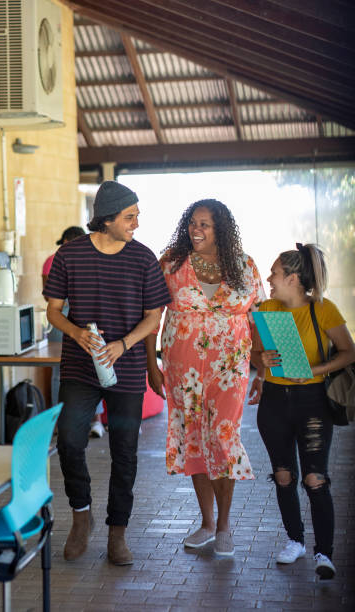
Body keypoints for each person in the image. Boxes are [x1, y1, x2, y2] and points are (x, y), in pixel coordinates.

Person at [43, 181, 171, 565]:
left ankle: (118, 533)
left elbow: (153, 318)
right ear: (107, 219)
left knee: (125, 452)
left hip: (127, 369)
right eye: (129, 217)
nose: (136, 223)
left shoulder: (144, 259)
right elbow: (52, 310)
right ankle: (81, 516)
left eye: (136, 215)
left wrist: (124, 344)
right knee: (68, 440)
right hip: (81, 368)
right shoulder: (70, 255)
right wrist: (76, 331)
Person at [145, 199, 266, 556]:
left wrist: (266, 368)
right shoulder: (170, 262)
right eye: (192, 223)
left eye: (205, 225)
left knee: (223, 436)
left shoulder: (244, 266)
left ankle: (225, 525)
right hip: (182, 367)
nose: (196, 230)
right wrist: (152, 366)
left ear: (221, 230)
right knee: (194, 436)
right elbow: (151, 315)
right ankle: (207, 523)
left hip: (230, 367)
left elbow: (260, 315)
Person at [251, 243, 355, 579]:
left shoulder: (324, 310)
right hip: (274, 403)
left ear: (294, 278)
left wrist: (315, 370)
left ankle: (324, 552)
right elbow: (254, 353)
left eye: (275, 274)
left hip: (312, 402)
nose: (269, 278)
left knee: (314, 478)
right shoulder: (266, 308)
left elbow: (348, 353)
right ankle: (294, 541)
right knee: (283, 475)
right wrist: (260, 361)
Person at [42, 226, 106, 437]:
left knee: (92, 367)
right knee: (60, 372)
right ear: (67, 241)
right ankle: (60, 421)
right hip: (62, 316)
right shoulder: (53, 260)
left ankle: (94, 420)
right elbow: (49, 297)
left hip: (84, 314)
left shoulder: (88, 259)